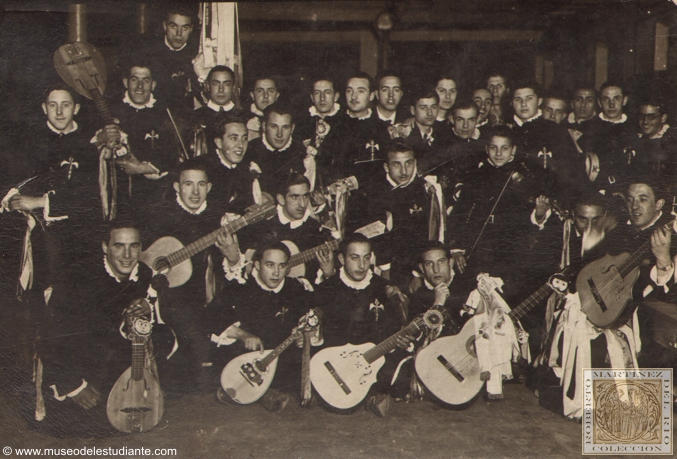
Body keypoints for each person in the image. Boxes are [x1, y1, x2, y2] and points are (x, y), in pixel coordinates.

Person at [39, 222, 173, 437]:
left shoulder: (143, 273)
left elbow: (156, 292)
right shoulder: (77, 277)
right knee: (85, 427)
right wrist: (74, 386)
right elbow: (51, 336)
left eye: (134, 246)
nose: (127, 255)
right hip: (76, 365)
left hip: (114, 362)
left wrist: (149, 305)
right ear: (105, 247)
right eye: (119, 246)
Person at [208, 241, 318, 412]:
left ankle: (259, 393)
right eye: (269, 265)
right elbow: (211, 319)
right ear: (258, 265)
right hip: (246, 356)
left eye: (281, 266)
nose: (276, 273)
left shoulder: (295, 289)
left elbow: (309, 320)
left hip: (280, 357)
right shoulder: (241, 287)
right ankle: (262, 393)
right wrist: (243, 335)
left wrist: (303, 337)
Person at [314, 234, 413, 417]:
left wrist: (399, 339)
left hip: (373, 358)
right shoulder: (328, 287)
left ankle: (370, 396)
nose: (361, 265)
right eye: (354, 258)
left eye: (366, 258)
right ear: (342, 259)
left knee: (402, 366)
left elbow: (393, 327)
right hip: (340, 359)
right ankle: (371, 398)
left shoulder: (382, 287)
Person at [108, 63, 178, 214]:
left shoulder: (165, 113)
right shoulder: (111, 111)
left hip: (157, 195)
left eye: (145, 81)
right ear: (126, 82)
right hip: (119, 195)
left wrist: (141, 168)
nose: (140, 86)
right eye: (134, 79)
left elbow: (174, 152)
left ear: (153, 85)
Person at [509, 81, 586, 202]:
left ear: (539, 101)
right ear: (511, 103)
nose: (523, 104)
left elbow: (571, 173)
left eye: (529, 98)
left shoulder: (556, 131)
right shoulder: (506, 131)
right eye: (518, 99)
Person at [194, 116, 263, 217]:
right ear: (219, 142)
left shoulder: (247, 171)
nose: (241, 145)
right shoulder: (200, 168)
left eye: (244, 138)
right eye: (234, 138)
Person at [247, 102, 313, 194]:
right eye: (274, 127)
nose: (279, 134)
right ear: (264, 126)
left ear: (292, 128)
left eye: (285, 127)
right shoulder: (249, 150)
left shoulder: (302, 153)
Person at [295, 76, 346, 188]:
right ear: (312, 97)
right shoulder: (302, 123)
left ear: (336, 96)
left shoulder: (345, 123)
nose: (322, 98)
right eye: (317, 93)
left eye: (327, 92)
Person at [191, 65, 243, 152]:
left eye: (227, 84)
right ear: (207, 86)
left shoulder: (244, 116)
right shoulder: (194, 117)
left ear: (233, 87)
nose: (221, 90)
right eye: (216, 84)